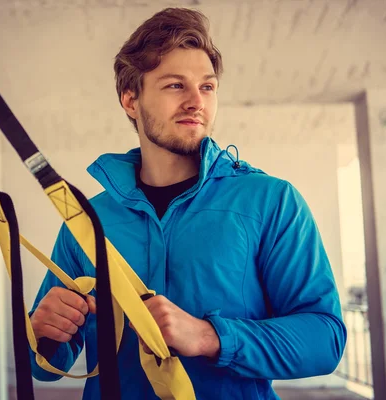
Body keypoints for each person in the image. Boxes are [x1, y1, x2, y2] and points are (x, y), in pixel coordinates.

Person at [28, 7, 347, 399]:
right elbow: (44, 368)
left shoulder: (272, 201)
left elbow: (325, 339)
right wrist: (42, 333)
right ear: (131, 99)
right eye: (175, 85)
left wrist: (210, 336)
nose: (197, 101)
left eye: (207, 87)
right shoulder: (87, 221)